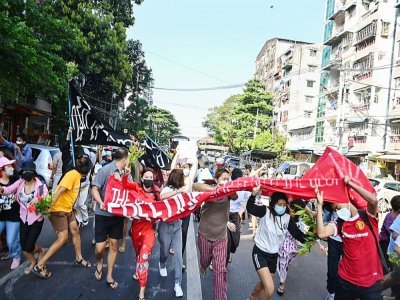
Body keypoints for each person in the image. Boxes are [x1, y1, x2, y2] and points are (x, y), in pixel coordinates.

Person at [316, 176, 383, 300]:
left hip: (370, 283)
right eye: (335, 209)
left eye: (337, 205)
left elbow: (373, 200)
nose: (338, 210)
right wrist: (319, 206)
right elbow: (321, 233)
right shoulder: (340, 223)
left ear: (345, 197)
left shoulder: (367, 217)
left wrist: (350, 184)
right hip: (346, 282)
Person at [34, 155, 93, 278]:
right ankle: (40, 265)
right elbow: (60, 190)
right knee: (63, 239)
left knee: (75, 231)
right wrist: (49, 207)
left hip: (68, 209)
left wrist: (72, 207)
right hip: (58, 210)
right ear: (87, 170)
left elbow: (70, 194)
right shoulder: (72, 174)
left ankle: (79, 258)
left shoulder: (78, 176)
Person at [246, 189, 306, 300]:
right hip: (260, 253)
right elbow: (250, 208)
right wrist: (253, 194)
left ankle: (252, 297)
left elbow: (297, 234)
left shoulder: (287, 218)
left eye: (284, 205)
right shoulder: (265, 211)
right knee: (269, 289)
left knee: (265, 284)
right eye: (279, 204)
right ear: (273, 204)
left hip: (274, 255)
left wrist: (310, 238)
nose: (282, 207)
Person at [193, 167, 238, 300]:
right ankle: (203, 265)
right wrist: (214, 190)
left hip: (220, 237)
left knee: (220, 272)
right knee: (205, 260)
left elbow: (235, 196)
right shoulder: (210, 189)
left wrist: (228, 188)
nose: (226, 181)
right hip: (205, 234)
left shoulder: (229, 191)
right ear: (216, 179)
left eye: (227, 179)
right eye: (223, 179)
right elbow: (195, 185)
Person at [118, 168, 160, 300]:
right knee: (138, 255)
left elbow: (162, 207)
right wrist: (126, 173)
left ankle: (141, 291)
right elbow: (124, 184)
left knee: (144, 257)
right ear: (142, 179)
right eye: (146, 177)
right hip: (136, 229)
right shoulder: (136, 187)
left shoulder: (157, 191)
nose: (148, 179)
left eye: (150, 177)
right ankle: (138, 271)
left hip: (149, 231)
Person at [0, 160, 47, 275]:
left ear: (34, 173)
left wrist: (39, 199)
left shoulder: (41, 186)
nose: (26, 173)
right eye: (24, 171)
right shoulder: (20, 182)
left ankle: (40, 250)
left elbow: (47, 200)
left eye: (29, 171)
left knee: (28, 246)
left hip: (36, 220)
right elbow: (9, 189)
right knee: (24, 247)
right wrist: (1, 190)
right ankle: (33, 261)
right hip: (22, 218)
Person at [91, 148, 128, 290]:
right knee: (100, 249)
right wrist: (101, 203)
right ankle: (99, 262)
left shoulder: (126, 174)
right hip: (102, 214)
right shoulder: (105, 170)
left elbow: (129, 191)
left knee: (114, 245)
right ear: (124, 159)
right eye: (127, 159)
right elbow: (94, 188)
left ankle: (110, 275)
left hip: (117, 216)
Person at [276, 199, 314, 296]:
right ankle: (282, 283)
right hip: (285, 232)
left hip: (295, 233)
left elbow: (310, 213)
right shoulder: (282, 199)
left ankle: (284, 269)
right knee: (283, 257)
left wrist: (317, 218)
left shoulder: (300, 202)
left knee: (289, 257)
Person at [158, 169, 186, 297]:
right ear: (177, 179)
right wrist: (177, 192)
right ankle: (162, 263)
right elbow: (162, 197)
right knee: (164, 251)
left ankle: (177, 284)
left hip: (177, 225)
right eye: (182, 178)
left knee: (179, 256)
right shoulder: (166, 189)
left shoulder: (182, 189)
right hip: (165, 225)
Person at [0, 157, 21, 269]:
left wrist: (19, 195)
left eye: (11, 165)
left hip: (13, 216)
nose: (12, 168)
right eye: (8, 166)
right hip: (1, 217)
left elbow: (24, 189)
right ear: (2, 169)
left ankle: (16, 256)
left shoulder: (16, 179)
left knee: (11, 241)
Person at [227, 168, 251, 264]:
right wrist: (225, 221)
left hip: (235, 216)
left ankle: (228, 253)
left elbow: (250, 198)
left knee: (235, 241)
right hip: (224, 215)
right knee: (225, 240)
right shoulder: (227, 187)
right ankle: (219, 257)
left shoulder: (244, 190)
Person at [323, 203, 343, 300]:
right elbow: (324, 222)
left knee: (348, 271)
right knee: (332, 269)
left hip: (348, 241)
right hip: (334, 240)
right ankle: (331, 293)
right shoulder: (329, 205)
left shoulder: (352, 204)